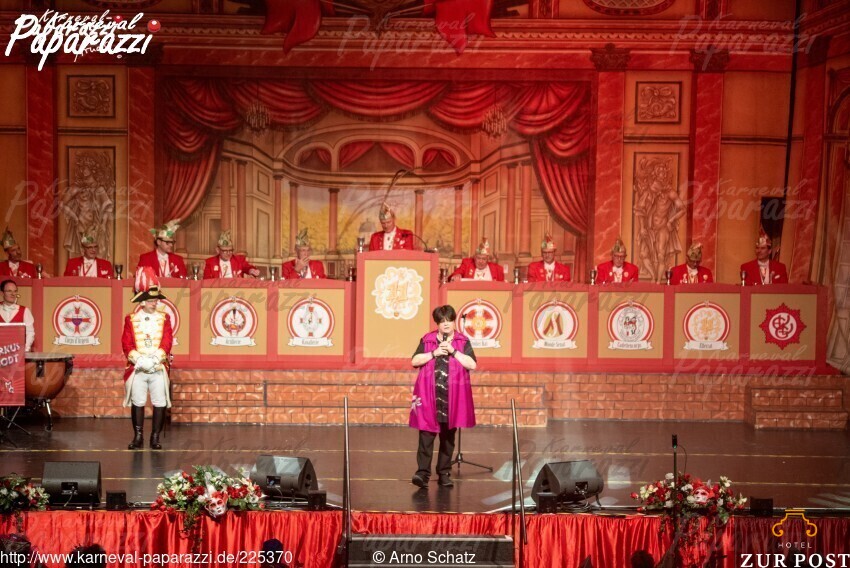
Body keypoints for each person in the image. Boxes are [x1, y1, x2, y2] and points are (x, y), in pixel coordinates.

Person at [410, 305, 477, 488]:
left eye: (449, 320)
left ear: (454, 322)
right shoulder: (428, 340)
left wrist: (454, 351)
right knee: (426, 435)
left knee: (448, 438)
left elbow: (472, 364)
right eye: (442, 321)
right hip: (429, 395)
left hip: (452, 397)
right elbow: (414, 361)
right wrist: (434, 353)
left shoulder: (462, 341)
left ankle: (444, 473)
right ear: (437, 324)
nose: (446, 324)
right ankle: (422, 474)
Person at [122, 267, 173, 450]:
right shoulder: (131, 319)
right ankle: (138, 437)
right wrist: (139, 360)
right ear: (142, 301)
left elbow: (167, 341)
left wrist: (155, 359)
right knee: (138, 401)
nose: (154, 303)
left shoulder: (165, 318)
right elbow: (126, 343)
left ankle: (155, 437)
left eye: (156, 300)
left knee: (160, 401)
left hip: (157, 367)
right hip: (138, 367)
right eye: (151, 300)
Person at [0, 280, 34, 352]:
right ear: (2, 293)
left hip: (18, 353)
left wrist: (25, 349)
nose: (13, 294)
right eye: (9, 291)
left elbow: (30, 332)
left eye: (15, 291)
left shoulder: (24, 310)